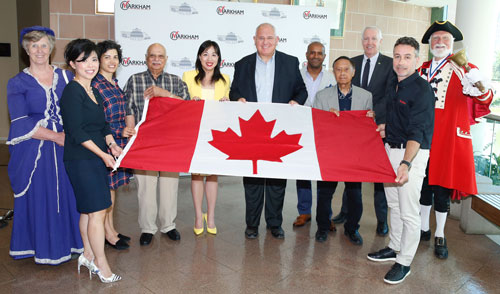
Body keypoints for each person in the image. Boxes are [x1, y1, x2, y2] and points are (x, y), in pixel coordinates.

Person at [6, 26, 83, 265]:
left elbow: (79, 106)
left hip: (67, 144)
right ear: (26, 49)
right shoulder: (17, 83)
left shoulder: (67, 77)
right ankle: (42, 246)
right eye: (34, 45)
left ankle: (73, 242)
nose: (39, 50)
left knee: (70, 192)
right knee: (43, 194)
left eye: (44, 45)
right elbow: (20, 121)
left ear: (51, 48)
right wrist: (55, 136)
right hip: (34, 148)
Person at [417, 21, 493, 259]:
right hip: (421, 137)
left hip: (448, 138)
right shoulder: (421, 69)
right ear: (430, 44)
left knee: (441, 189)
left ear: (452, 44)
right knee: (423, 185)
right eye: (436, 39)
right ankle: (423, 228)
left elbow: (485, 98)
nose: (440, 42)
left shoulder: (465, 69)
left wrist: (478, 85)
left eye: (445, 39)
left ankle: (440, 233)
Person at [230, 23, 307, 239]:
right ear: (254, 39)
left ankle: (274, 223)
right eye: (261, 38)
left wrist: (295, 101)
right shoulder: (243, 64)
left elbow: (301, 90)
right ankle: (252, 225)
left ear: (277, 40)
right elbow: (234, 90)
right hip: (252, 130)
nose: (265, 42)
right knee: (253, 179)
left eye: (269, 38)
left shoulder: (290, 63)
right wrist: (238, 98)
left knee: (276, 180)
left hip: (277, 129)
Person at [367, 37, 435, 285]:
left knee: (408, 211)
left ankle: (404, 261)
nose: (401, 62)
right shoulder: (394, 83)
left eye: (407, 57)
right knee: (393, 205)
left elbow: (417, 132)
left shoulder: (422, 89)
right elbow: (398, 119)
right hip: (391, 149)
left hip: (411, 156)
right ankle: (394, 246)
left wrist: (405, 164)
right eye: (397, 56)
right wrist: (384, 128)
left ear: (417, 60)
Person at [60, 38, 122, 283]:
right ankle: (101, 264)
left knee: (88, 211)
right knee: (97, 211)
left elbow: (102, 125)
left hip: (95, 157)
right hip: (81, 159)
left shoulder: (93, 89)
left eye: (94, 59)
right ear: (72, 64)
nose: (90, 65)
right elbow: (77, 131)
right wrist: (103, 154)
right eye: (83, 60)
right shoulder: (72, 91)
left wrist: (112, 144)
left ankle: (87, 254)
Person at [124, 43, 190, 245]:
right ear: (146, 58)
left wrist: (165, 94)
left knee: (170, 185)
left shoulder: (175, 81)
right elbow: (128, 108)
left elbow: (187, 107)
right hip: (143, 142)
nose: (156, 59)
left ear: (166, 59)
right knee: (146, 186)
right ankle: (147, 228)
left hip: (170, 142)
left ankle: (168, 225)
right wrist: (131, 135)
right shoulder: (134, 80)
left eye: (160, 56)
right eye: (152, 55)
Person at [333, 26, 393, 236]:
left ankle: (381, 220)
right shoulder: (353, 62)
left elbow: (389, 95)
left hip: (379, 126)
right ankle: (345, 211)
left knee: (378, 175)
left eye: (373, 39)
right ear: (362, 41)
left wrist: (375, 113)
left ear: (380, 41)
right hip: (355, 129)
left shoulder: (389, 64)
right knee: (350, 171)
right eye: (366, 38)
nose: (369, 42)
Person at [312, 56, 373, 244]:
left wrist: (371, 118)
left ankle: (352, 228)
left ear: (353, 72)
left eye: (346, 69)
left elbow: (369, 127)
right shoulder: (322, 96)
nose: (343, 73)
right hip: (330, 153)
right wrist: (326, 119)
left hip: (354, 154)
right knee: (325, 194)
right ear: (334, 72)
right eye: (338, 69)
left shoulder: (366, 96)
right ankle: (322, 227)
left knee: (355, 195)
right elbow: (314, 124)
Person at [182, 40, 230, 236]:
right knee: (196, 175)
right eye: (205, 54)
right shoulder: (187, 76)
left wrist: (228, 103)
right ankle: (197, 215)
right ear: (199, 57)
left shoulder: (225, 79)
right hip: (194, 132)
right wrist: (189, 103)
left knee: (212, 174)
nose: (209, 59)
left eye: (214, 54)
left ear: (219, 58)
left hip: (216, 134)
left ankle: (210, 216)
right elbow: (180, 105)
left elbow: (229, 110)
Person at [92, 40, 135, 250]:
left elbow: (125, 111)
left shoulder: (115, 83)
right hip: (105, 143)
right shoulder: (95, 85)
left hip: (119, 142)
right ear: (99, 59)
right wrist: (119, 132)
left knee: (112, 189)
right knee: (106, 190)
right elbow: (99, 120)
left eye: (115, 57)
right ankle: (107, 234)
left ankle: (111, 229)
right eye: (107, 57)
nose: (112, 61)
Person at [293, 41, 336, 229]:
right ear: (306, 55)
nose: (315, 56)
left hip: (325, 130)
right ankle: (304, 211)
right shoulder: (296, 76)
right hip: (301, 128)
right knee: (303, 171)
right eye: (312, 53)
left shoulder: (332, 78)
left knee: (324, 172)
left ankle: (325, 214)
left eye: (319, 53)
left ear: (324, 57)